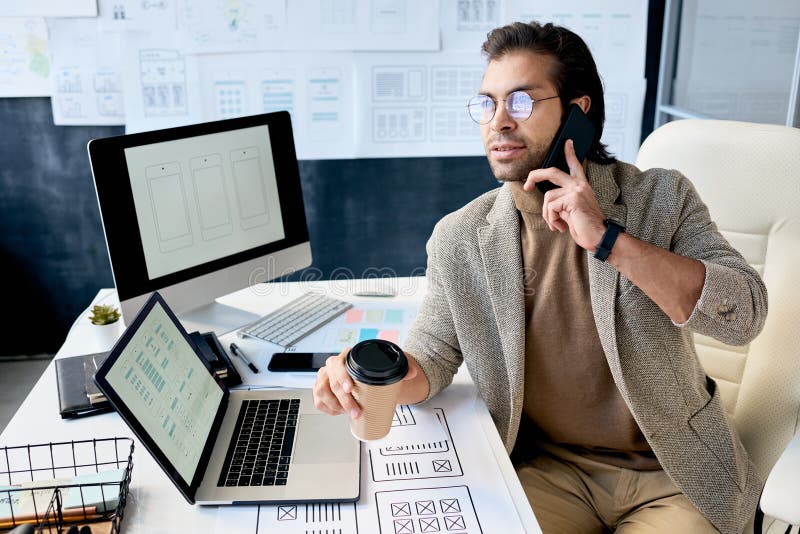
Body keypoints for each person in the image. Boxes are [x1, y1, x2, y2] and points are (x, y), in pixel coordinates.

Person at [312, 21, 767, 534]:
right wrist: (369, 378)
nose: (499, 121)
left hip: (672, 474)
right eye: (487, 104)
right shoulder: (460, 238)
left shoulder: (661, 200)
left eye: (522, 103)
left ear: (578, 110)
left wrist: (608, 240)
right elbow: (433, 357)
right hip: (546, 472)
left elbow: (744, 316)